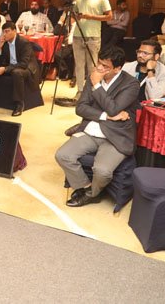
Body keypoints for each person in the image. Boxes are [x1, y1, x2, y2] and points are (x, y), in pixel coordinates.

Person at [55, 46, 139, 208]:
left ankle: (92, 194)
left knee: (102, 171)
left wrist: (97, 86)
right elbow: (80, 108)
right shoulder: (93, 76)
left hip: (115, 136)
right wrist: (105, 116)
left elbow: (114, 108)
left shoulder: (130, 84)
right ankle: (86, 189)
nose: (99, 68)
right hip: (91, 130)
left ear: (117, 68)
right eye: (99, 63)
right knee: (62, 155)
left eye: (105, 66)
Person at [71, 0, 112, 98]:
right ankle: (80, 90)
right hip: (78, 35)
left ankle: (91, 91)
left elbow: (109, 16)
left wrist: (91, 17)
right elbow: (74, 13)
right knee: (79, 65)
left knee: (91, 66)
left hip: (93, 36)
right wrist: (76, 16)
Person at [0, 22, 39, 116]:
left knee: (17, 72)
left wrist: (6, 69)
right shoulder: (5, 43)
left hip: (27, 68)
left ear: (14, 31)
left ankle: (19, 104)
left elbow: (24, 63)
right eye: (3, 32)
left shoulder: (24, 43)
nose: (4, 34)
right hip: (12, 66)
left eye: (7, 31)